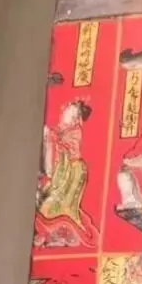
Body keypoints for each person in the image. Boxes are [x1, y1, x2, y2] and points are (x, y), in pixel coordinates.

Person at [34, 98, 97, 247]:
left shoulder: (75, 131)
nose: (65, 113)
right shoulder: (62, 128)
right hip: (62, 168)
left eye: (69, 112)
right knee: (47, 201)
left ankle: (51, 234)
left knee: (58, 205)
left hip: (71, 172)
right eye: (66, 111)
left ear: (75, 118)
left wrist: (51, 137)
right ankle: (47, 233)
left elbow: (66, 147)